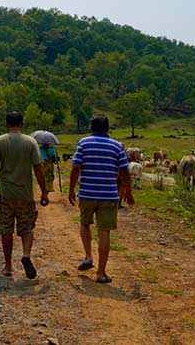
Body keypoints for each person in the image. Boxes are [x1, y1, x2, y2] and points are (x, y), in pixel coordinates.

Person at [67, 114, 133, 284]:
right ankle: (101, 273)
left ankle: (88, 256)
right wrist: (128, 191)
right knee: (104, 231)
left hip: (87, 193)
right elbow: (125, 171)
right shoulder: (117, 146)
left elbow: (76, 167)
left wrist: (71, 189)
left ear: (91, 128)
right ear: (108, 128)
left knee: (84, 224)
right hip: (109, 195)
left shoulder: (83, 143)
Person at [0, 111, 49, 279]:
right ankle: (26, 255)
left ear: (7, 124)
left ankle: (7, 267)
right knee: (27, 227)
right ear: (22, 124)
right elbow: (38, 168)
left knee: (6, 229)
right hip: (25, 194)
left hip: (6, 194)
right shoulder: (31, 142)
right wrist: (44, 192)